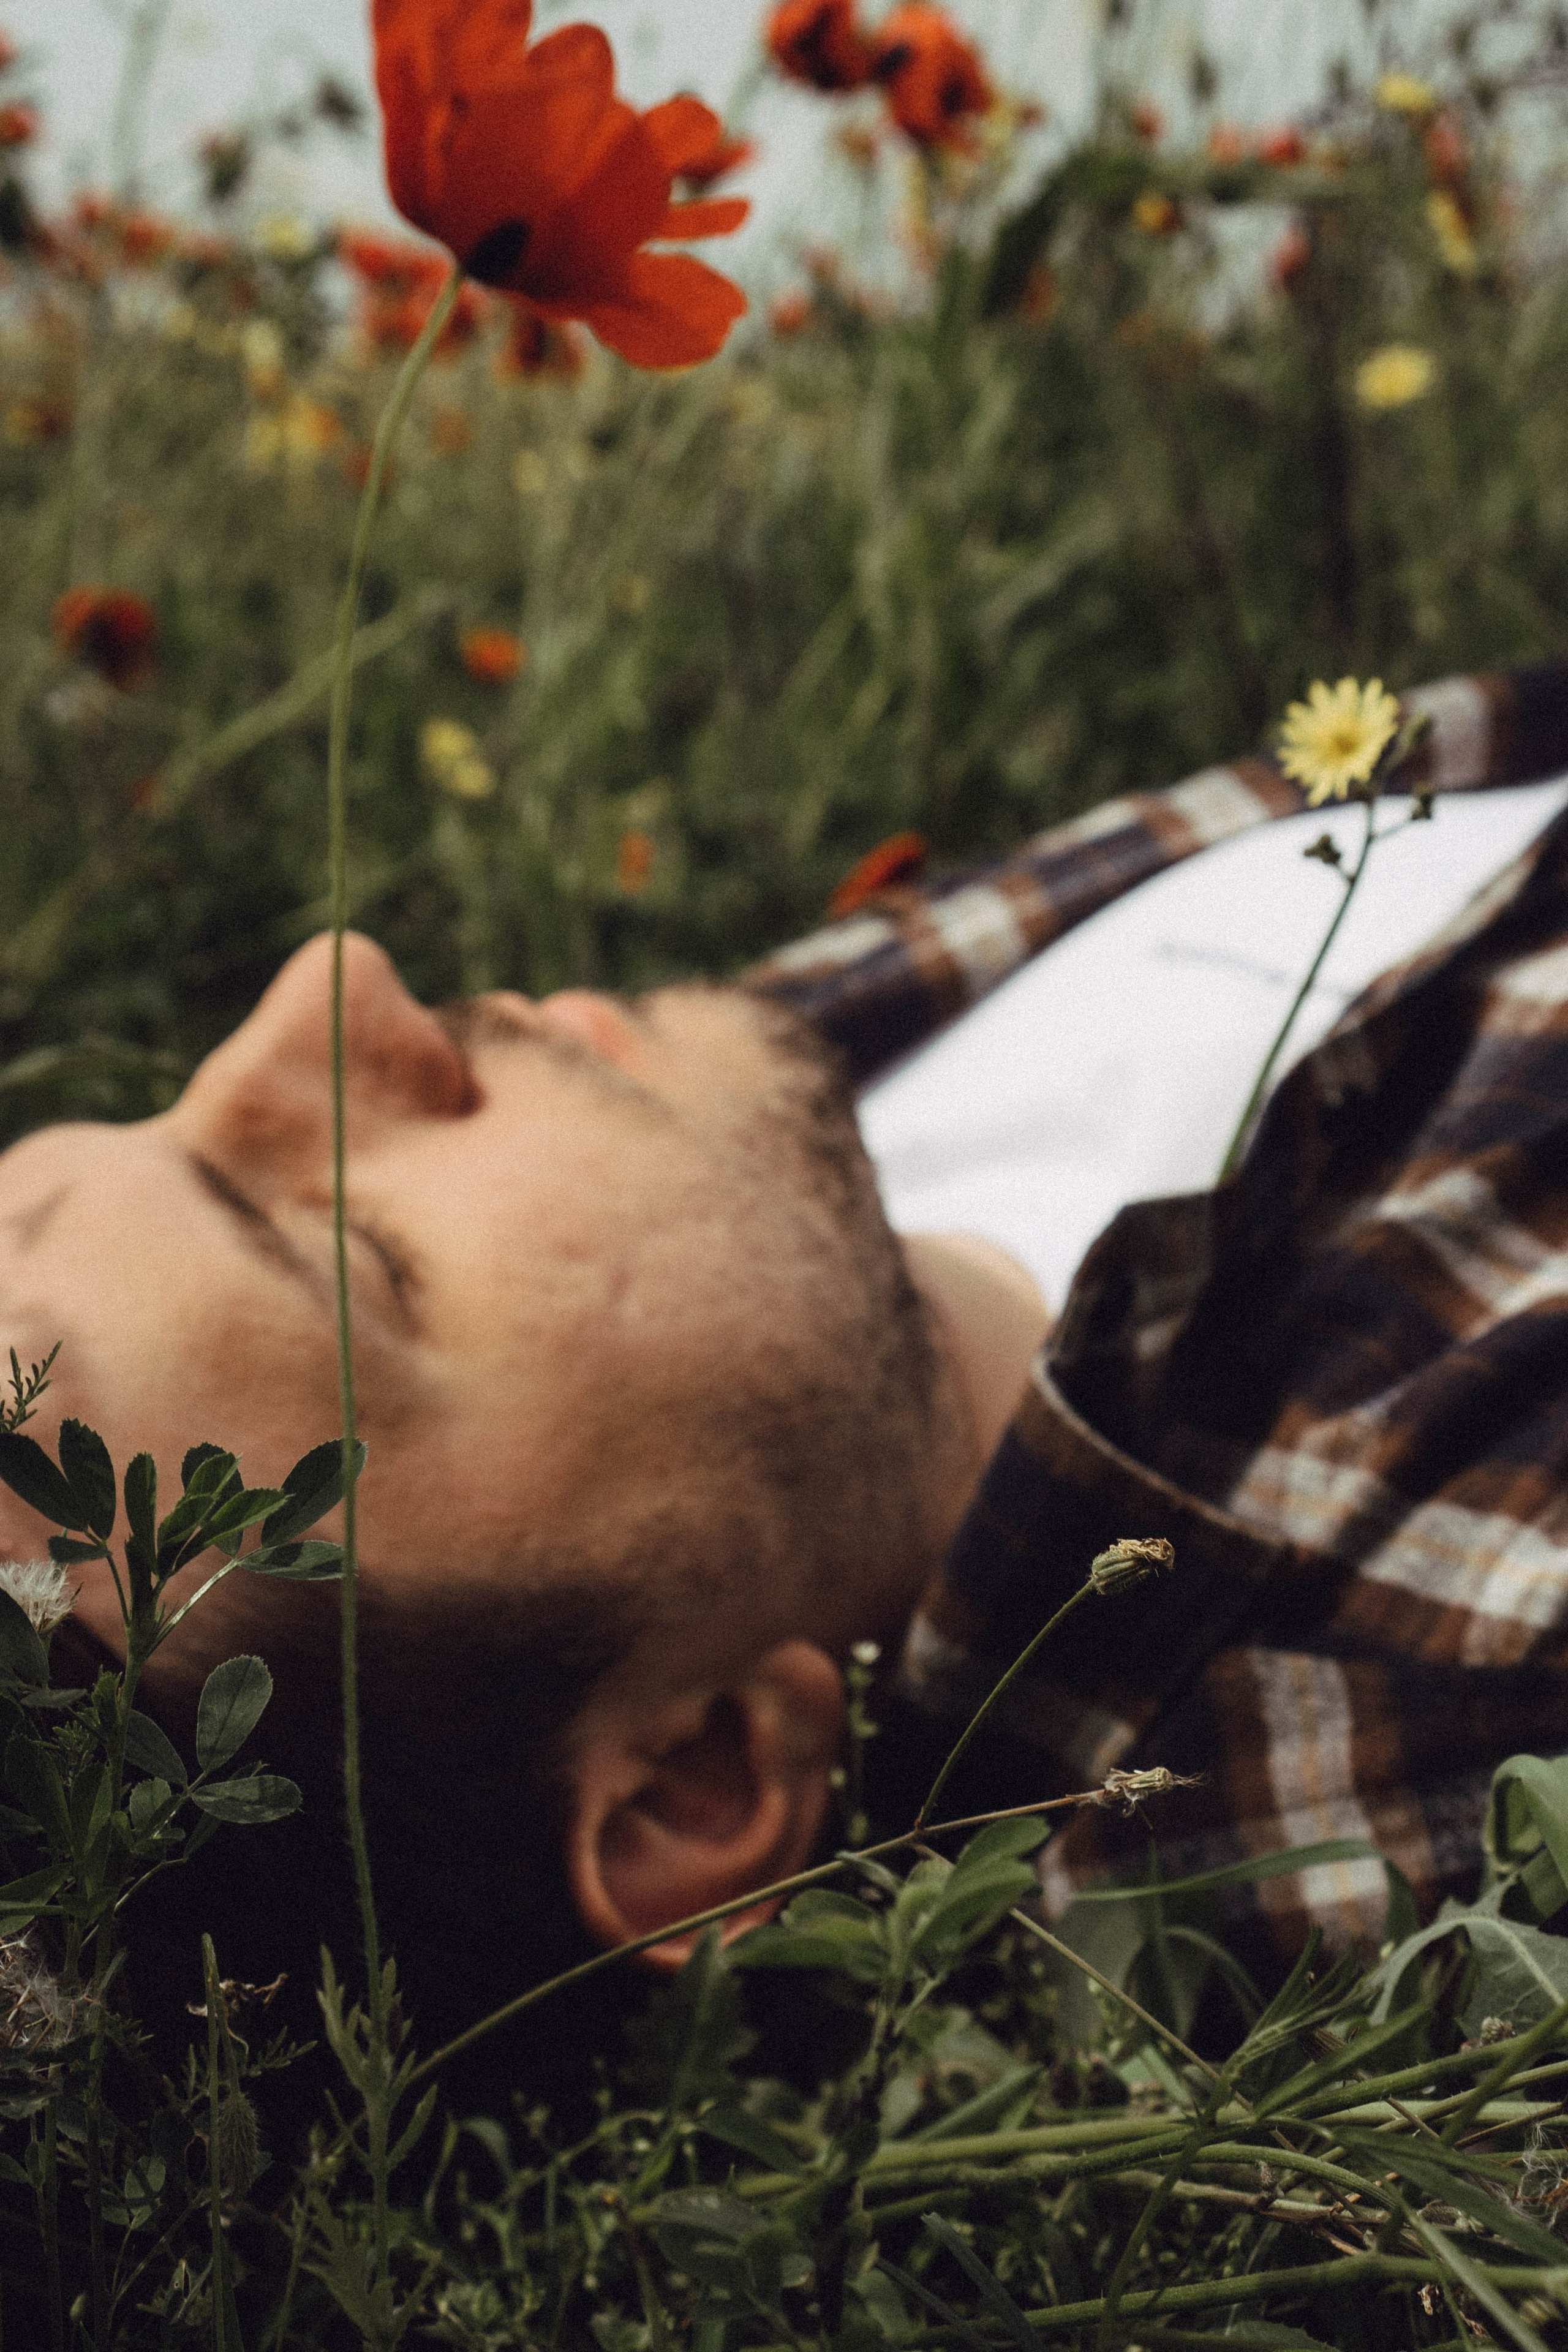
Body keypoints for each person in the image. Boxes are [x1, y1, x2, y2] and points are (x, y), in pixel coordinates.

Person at [6, 658, 1568, 2059]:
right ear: (696, 1777)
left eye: (169, 1109)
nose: (336, 988)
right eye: (350, 1248)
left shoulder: (756, 1158)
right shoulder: (1446, 1661)